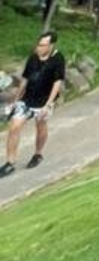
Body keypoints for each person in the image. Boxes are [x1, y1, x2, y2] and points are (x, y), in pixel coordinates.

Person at [2, 31, 65, 177]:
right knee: (14, 126)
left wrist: (49, 104)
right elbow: (25, 79)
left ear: (51, 45)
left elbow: (57, 82)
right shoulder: (33, 58)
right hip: (28, 98)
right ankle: (10, 162)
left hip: (44, 99)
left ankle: (38, 153)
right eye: (39, 44)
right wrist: (16, 99)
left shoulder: (58, 59)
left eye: (43, 45)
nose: (39, 48)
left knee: (40, 124)